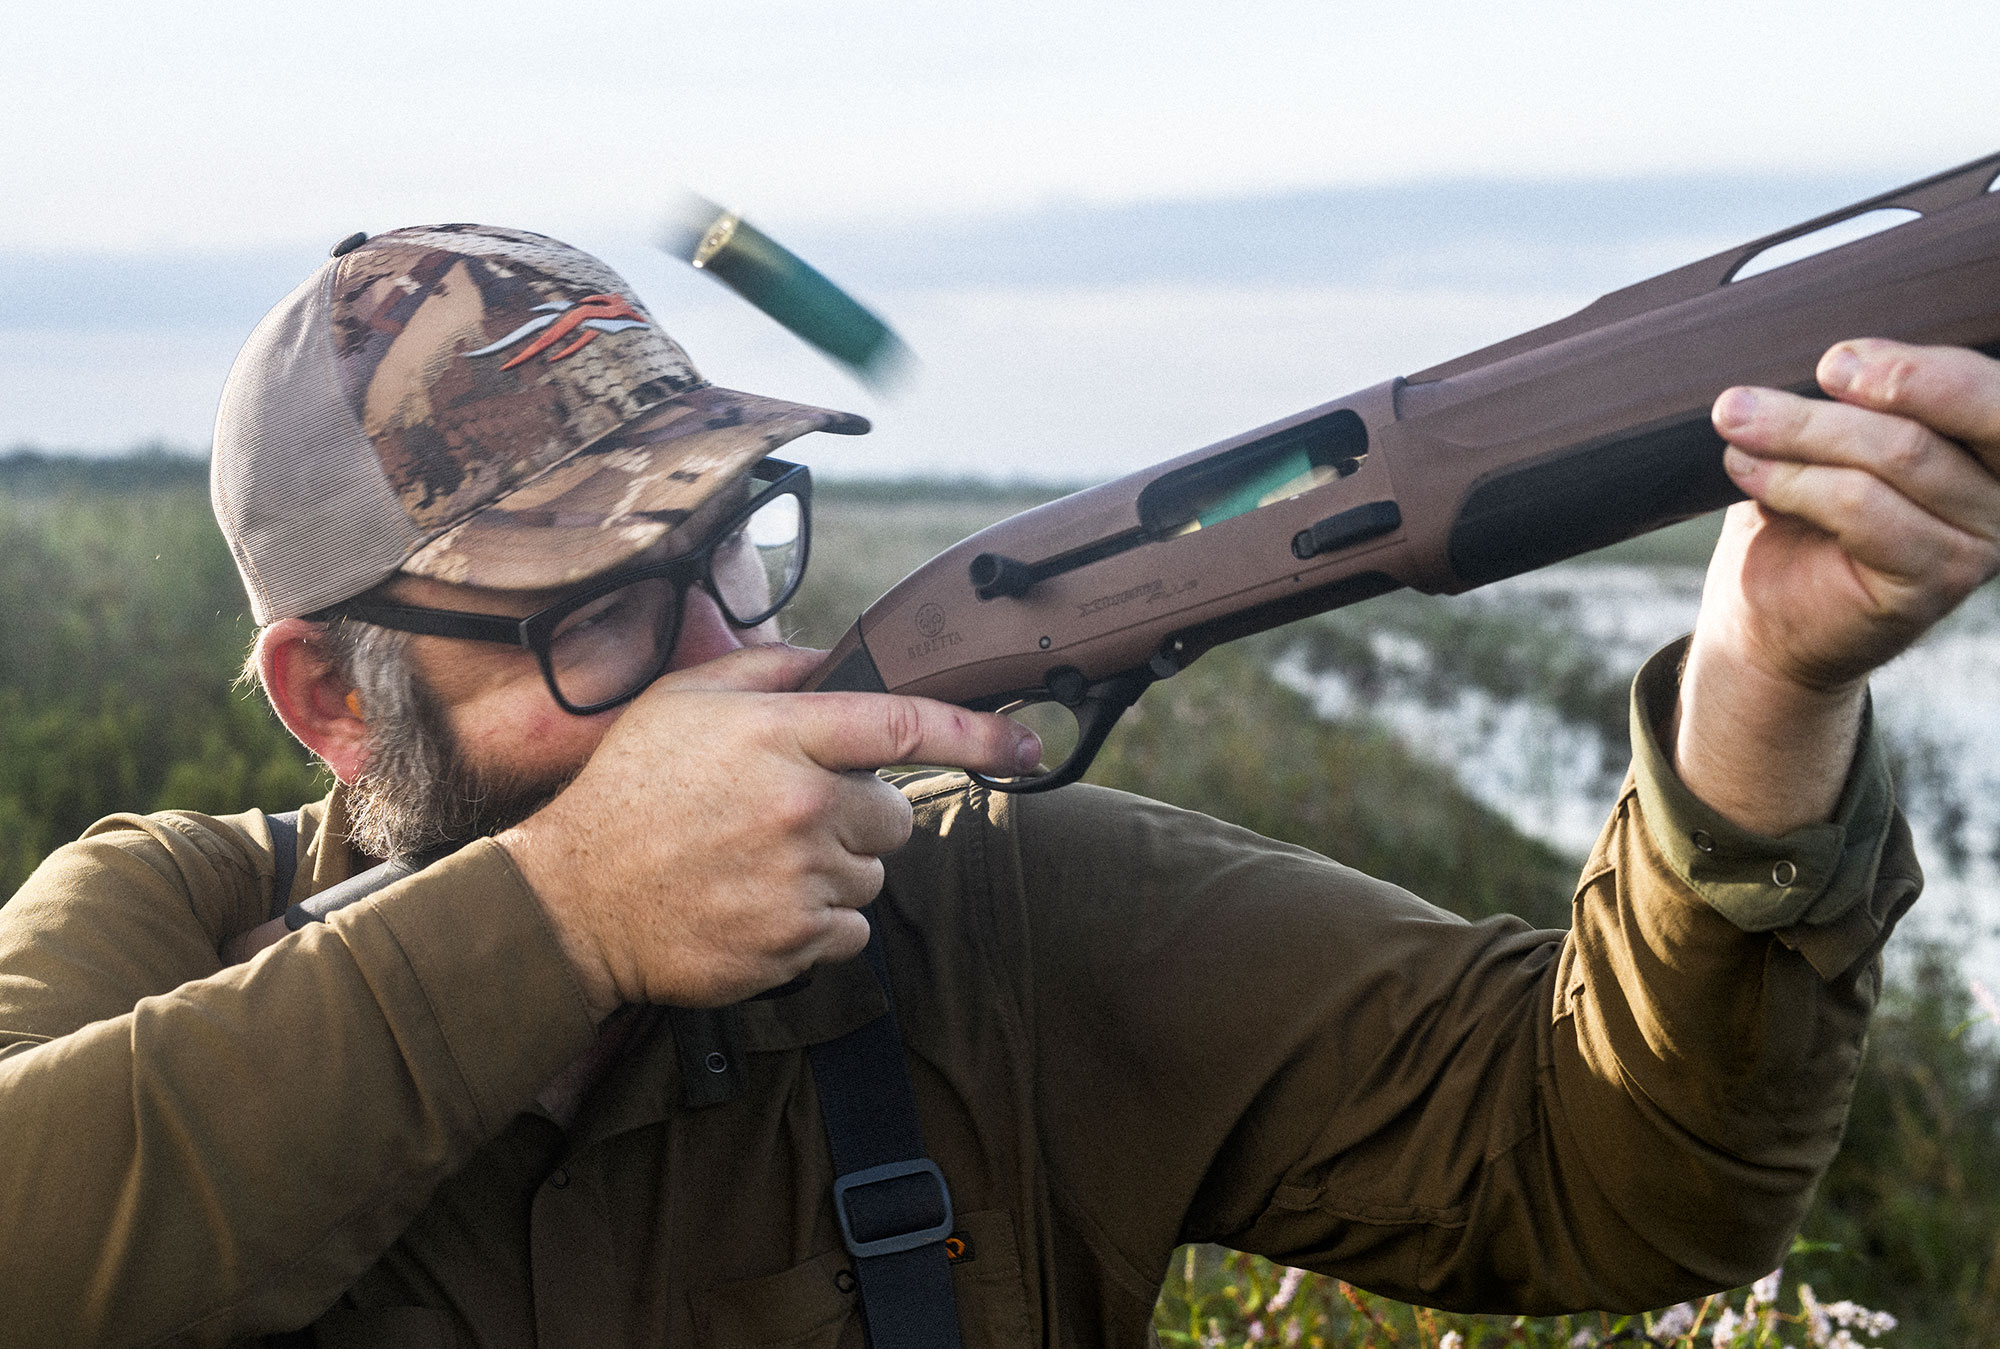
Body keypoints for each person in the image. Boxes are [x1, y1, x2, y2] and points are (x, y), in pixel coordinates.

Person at [1, 222, 1995, 1348]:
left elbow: (1613, 1179)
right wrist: (571, 912)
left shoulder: (984, 911)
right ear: (330, 701)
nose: (719, 659)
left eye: (727, 551)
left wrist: (1763, 693)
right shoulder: (164, 922)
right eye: (590, 618)